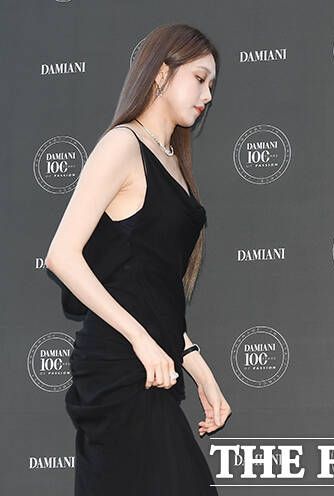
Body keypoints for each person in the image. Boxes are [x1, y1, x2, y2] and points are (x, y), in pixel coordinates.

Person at [44, 24, 230, 495]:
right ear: (162, 74)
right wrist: (142, 341)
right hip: (119, 366)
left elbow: (150, 284)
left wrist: (197, 366)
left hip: (151, 366)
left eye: (212, 84)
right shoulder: (123, 145)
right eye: (199, 78)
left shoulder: (173, 161)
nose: (208, 94)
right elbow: (61, 255)